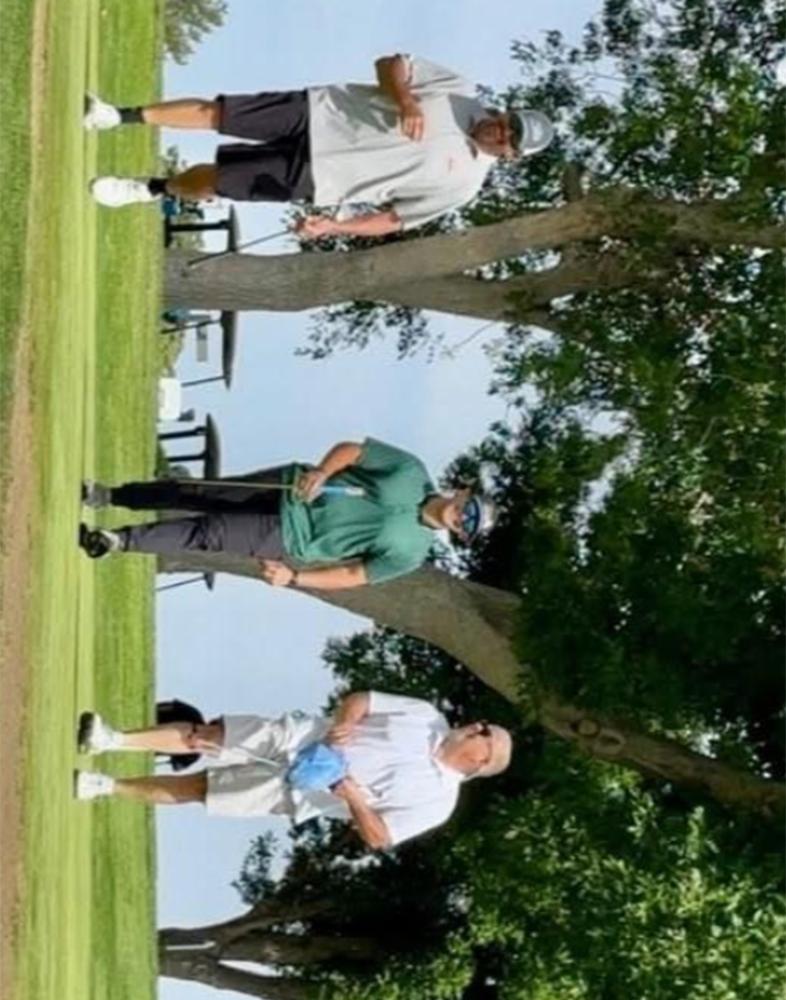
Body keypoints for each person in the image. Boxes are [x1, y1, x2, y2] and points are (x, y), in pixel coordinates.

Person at [84, 53, 554, 238]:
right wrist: (406, 99)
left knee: (216, 182)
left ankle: (149, 188)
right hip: (321, 112)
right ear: (504, 113)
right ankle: (116, 116)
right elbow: (391, 63)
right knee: (218, 113)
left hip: (321, 178)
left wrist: (334, 226)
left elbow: (394, 219)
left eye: (510, 140)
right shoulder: (460, 91)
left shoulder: (463, 186)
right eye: (508, 123)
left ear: (511, 156)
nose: (502, 132)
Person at [73, 690, 513, 850]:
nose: (475, 726)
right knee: (210, 736)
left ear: (480, 760)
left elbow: (381, 837)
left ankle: (106, 786)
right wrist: (345, 724)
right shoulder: (427, 716)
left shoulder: (439, 802)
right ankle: (111, 740)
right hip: (301, 737)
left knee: (198, 788)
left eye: (483, 733)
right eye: (481, 725)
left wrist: (353, 797)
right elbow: (363, 700)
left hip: (301, 790)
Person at [78, 437, 497, 590]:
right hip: (292, 486)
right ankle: (109, 495)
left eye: (468, 524)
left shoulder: (411, 553)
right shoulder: (411, 471)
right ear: (463, 492)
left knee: (209, 532)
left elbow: (353, 575)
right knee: (200, 493)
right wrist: (323, 471)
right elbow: (355, 451)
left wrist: (295, 577)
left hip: (294, 538)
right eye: (469, 509)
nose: (462, 517)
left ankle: (116, 541)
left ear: (461, 535)